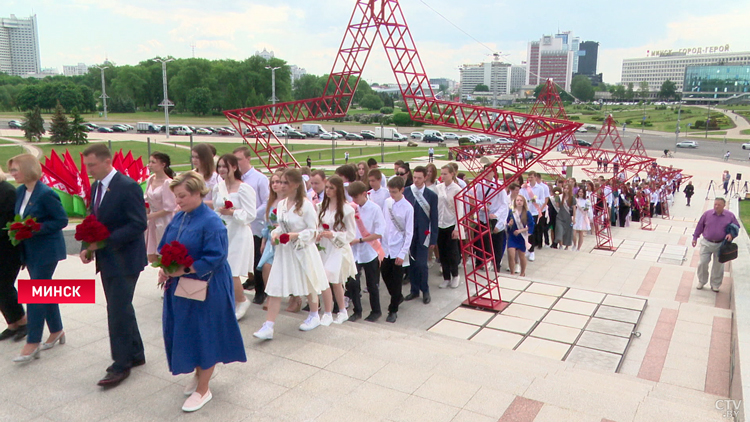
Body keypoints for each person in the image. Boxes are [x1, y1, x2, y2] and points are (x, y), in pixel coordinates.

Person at [160, 171, 246, 412]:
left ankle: (203, 388)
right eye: (176, 197)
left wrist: (185, 268)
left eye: (183, 196)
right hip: (182, 284)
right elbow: (166, 244)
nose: (178, 201)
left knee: (205, 332)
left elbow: (217, 257)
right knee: (188, 330)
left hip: (206, 285)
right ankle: (199, 374)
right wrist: (164, 268)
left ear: (198, 193)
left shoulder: (211, 222)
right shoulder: (181, 217)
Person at [80, 144, 147, 387]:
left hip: (126, 260)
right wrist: (86, 246)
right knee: (121, 307)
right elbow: (92, 219)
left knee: (116, 311)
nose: (88, 170)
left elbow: (139, 224)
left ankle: (120, 365)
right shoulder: (96, 186)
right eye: (86, 165)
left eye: (92, 165)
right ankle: (136, 354)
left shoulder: (127, 186)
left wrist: (104, 242)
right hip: (107, 259)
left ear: (107, 161)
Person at [253, 169, 331, 339]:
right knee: (275, 285)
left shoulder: (305, 205)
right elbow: (282, 225)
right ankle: (269, 325)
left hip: (302, 250)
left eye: (285, 182)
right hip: (284, 251)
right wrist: (275, 234)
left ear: (295, 184)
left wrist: (294, 236)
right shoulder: (281, 204)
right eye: (280, 182)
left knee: (309, 281)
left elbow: (313, 231)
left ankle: (314, 314)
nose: (281, 186)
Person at [8, 154, 68, 363]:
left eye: (15, 170)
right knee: (44, 289)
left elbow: (61, 220)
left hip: (47, 251)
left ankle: (32, 342)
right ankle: (57, 330)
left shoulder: (46, 194)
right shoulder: (20, 192)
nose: (12, 174)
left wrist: (34, 229)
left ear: (27, 169)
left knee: (35, 292)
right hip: (30, 251)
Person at [213, 154, 257, 320]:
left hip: (239, 232)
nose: (222, 170)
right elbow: (216, 209)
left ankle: (242, 299)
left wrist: (232, 212)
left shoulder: (244, 188)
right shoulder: (218, 187)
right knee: (221, 267)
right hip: (223, 230)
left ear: (234, 167)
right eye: (220, 166)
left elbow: (250, 214)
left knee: (232, 269)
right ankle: (229, 301)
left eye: (225, 166)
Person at [316, 176, 358, 324]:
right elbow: (318, 225)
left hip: (338, 247)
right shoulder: (321, 206)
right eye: (326, 187)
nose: (327, 190)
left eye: (331, 188)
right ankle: (335, 311)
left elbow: (351, 234)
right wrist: (319, 234)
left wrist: (333, 234)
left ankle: (335, 311)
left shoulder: (347, 210)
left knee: (331, 277)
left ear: (338, 190)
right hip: (324, 247)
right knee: (330, 280)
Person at [233, 147, 270, 302]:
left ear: (248, 159)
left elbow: (267, 201)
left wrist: (251, 213)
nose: (237, 163)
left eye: (239, 159)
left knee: (256, 260)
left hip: (255, 226)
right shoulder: (234, 180)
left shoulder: (259, 179)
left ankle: (260, 291)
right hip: (238, 224)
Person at [346, 181, 385, 322]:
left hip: (369, 251)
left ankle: (376, 311)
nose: (354, 201)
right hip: (354, 252)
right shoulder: (351, 208)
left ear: (364, 194)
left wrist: (360, 240)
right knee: (353, 283)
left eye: (356, 197)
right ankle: (357, 311)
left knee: (372, 284)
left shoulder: (375, 209)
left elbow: (380, 233)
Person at [403, 166, 438, 304]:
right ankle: (414, 290)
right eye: (414, 177)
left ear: (425, 178)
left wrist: (433, 238)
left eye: (419, 178)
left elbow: (434, 219)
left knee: (422, 264)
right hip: (409, 234)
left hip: (424, 234)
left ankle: (425, 290)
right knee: (411, 264)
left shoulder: (431, 196)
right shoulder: (406, 192)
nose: (416, 180)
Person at [381, 177, 414, 323]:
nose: (391, 194)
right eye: (390, 191)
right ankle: (397, 295)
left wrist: (402, 253)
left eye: (394, 192)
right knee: (385, 275)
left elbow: (409, 233)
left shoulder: (408, 208)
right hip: (385, 247)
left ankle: (393, 309)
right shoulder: (387, 203)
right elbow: (383, 224)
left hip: (398, 249)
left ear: (401, 190)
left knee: (396, 281)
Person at [693, 198, 739, 292]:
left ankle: (715, 284)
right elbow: (700, 226)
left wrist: (731, 235)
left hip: (720, 244)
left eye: (719, 205)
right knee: (703, 262)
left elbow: (736, 227)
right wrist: (695, 237)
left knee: (718, 266)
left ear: (724, 205)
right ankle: (702, 281)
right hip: (707, 243)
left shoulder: (730, 216)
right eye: (715, 204)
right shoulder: (707, 214)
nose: (716, 206)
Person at [0, 167, 25, 342]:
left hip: (7, 248)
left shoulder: (7, 191)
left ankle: (23, 322)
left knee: (4, 285)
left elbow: (8, 222)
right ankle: (12, 323)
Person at [145, 152, 177, 263]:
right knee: (152, 256)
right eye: (150, 161)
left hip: (164, 221)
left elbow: (169, 208)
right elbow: (146, 199)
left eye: (153, 162)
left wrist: (149, 216)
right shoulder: (150, 179)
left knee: (165, 254)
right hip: (152, 221)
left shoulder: (168, 183)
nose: (150, 164)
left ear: (163, 164)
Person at [436, 164, 463, 288]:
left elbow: (459, 209)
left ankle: (455, 275)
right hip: (440, 224)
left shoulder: (457, 189)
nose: (443, 176)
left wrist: (457, 228)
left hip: (451, 224)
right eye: (441, 173)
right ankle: (446, 277)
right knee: (442, 252)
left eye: (445, 173)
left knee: (452, 252)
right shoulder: (439, 187)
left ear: (452, 174)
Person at [506, 195, 534, 277]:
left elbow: (531, 226)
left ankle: (522, 273)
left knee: (522, 256)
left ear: (523, 202)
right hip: (512, 236)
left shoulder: (527, 213)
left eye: (521, 200)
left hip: (521, 237)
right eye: (517, 200)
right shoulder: (511, 212)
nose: (519, 202)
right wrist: (509, 224)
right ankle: (512, 272)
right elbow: (507, 224)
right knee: (511, 254)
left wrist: (520, 231)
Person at [552, 185, 574, 250]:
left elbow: (574, 209)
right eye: (565, 188)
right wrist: (556, 199)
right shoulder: (560, 197)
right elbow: (558, 206)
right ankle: (560, 245)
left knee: (568, 232)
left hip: (568, 217)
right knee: (559, 230)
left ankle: (567, 246)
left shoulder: (572, 198)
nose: (566, 190)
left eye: (567, 188)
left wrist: (574, 218)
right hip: (560, 217)